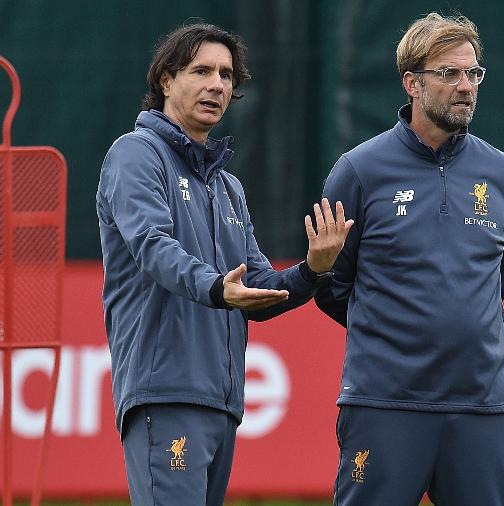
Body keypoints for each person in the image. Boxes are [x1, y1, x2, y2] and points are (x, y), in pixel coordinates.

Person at [96, 23, 352, 505]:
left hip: (222, 403)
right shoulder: (135, 154)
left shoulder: (228, 186)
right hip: (165, 393)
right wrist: (217, 288)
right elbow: (153, 246)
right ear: (166, 81)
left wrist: (313, 270)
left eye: (227, 74)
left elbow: (257, 286)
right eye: (201, 71)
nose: (217, 84)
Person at [316, 12, 504, 505]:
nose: (465, 86)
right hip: (386, 404)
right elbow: (330, 284)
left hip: (484, 407)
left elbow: (497, 281)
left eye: (473, 73)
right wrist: (394, 331)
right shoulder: (358, 171)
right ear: (412, 83)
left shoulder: (502, 172)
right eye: (448, 74)